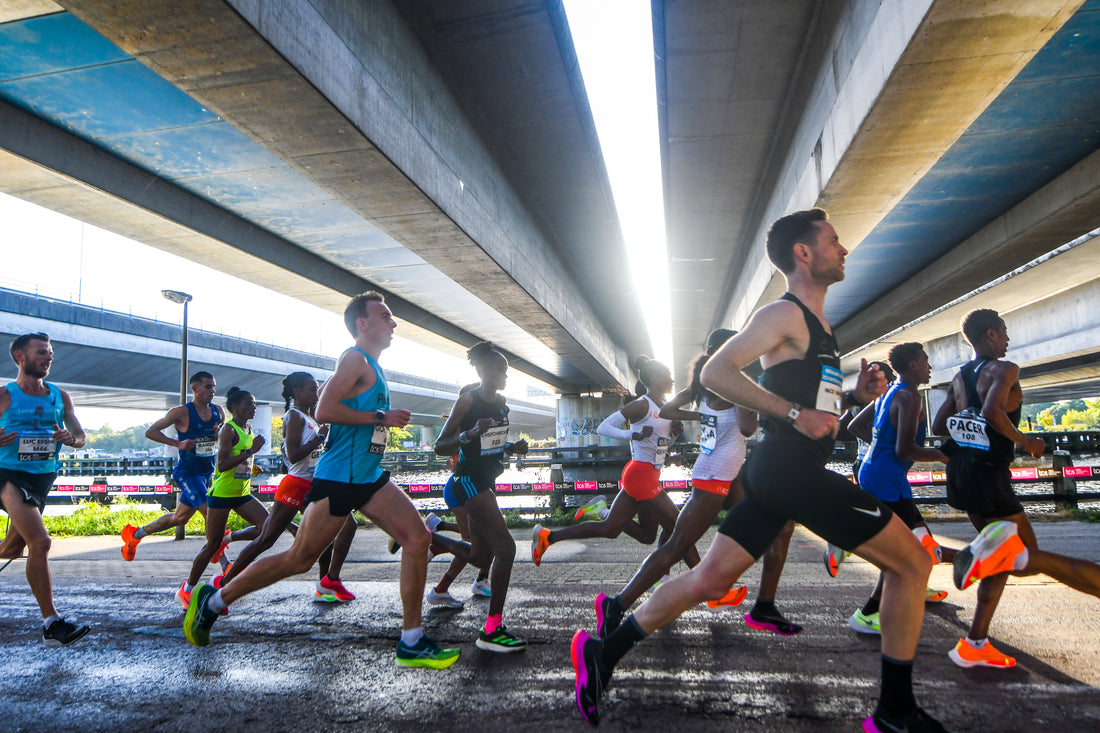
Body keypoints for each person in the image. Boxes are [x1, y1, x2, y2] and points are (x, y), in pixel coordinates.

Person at [569, 208, 945, 732]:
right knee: (911, 564)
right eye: (834, 241)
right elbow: (717, 372)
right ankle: (896, 712)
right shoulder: (784, 314)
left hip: (776, 471)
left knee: (708, 578)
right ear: (803, 253)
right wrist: (793, 414)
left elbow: (810, 399)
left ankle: (603, 654)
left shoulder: (818, 325)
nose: (845, 250)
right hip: (789, 470)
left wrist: (844, 401)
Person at [183, 291, 459, 670]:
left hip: (367, 475)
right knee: (299, 559)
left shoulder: (371, 367)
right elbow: (327, 409)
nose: (393, 323)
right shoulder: (354, 358)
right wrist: (382, 417)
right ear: (363, 324)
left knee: (417, 538)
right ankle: (213, 601)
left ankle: (412, 640)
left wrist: (377, 416)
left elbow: (333, 403)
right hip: (340, 479)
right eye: (385, 316)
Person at [594, 328, 801, 639]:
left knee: (781, 526)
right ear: (733, 348)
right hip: (716, 474)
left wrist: (704, 419)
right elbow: (747, 428)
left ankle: (764, 605)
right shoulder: (733, 380)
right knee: (678, 545)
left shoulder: (705, 379)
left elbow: (667, 410)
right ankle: (617, 604)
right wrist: (758, 402)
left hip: (728, 472)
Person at [932, 308, 1100, 669]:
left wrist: (970, 425)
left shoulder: (959, 378)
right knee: (1026, 558)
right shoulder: (1005, 369)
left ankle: (975, 642)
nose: (1008, 339)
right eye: (1004, 332)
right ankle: (959, 557)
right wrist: (1026, 442)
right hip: (989, 473)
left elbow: (939, 424)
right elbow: (993, 412)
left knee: (1005, 556)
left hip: (962, 472)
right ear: (991, 334)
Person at [531, 357, 690, 569]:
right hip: (640, 476)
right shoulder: (641, 405)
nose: (672, 380)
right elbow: (603, 428)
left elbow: (659, 446)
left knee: (636, 533)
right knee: (678, 526)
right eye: (667, 376)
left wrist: (674, 437)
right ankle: (689, 580)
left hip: (651, 473)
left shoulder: (667, 409)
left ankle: (549, 535)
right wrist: (633, 434)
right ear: (654, 379)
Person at [840, 342, 954, 635]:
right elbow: (905, 449)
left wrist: (880, 448)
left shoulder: (888, 392)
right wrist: (942, 456)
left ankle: (917, 582)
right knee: (901, 550)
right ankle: (868, 613)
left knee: (919, 537)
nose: (929, 366)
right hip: (886, 479)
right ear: (913, 365)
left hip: (881, 473)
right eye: (925, 360)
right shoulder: (909, 397)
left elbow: (854, 426)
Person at [214, 372, 358, 603]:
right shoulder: (294, 416)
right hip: (296, 486)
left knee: (344, 526)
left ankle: (327, 582)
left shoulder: (313, 418)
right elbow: (293, 455)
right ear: (297, 392)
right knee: (266, 539)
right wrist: (319, 440)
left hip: (316, 485)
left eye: (317, 389)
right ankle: (224, 583)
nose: (316, 394)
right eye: (312, 389)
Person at [433, 343, 528, 651]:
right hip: (468, 481)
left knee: (479, 556)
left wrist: (512, 448)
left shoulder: (501, 403)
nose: (505, 375)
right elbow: (441, 445)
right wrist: (469, 434)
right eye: (501, 370)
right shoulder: (467, 400)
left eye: (506, 371)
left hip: (486, 481)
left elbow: (492, 443)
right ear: (485, 371)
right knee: (507, 549)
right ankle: (492, 629)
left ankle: (430, 538)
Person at [0, 333, 90, 645]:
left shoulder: (60, 396)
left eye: (50, 353)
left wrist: (71, 439)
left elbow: (80, 436)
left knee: (13, 549)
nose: (48, 358)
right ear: (19, 357)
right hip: (8, 475)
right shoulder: (4, 396)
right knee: (40, 543)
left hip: (42, 477)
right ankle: (52, 623)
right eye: (41, 353)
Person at [121, 371, 231, 564]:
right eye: (208, 386)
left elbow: (222, 438)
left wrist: (219, 434)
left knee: (179, 518)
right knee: (210, 512)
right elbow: (151, 432)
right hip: (188, 473)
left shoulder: (218, 411)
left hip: (206, 472)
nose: (212, 391)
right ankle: (224, 564)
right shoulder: (181, 412)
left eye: (214, 386)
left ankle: (135, 535)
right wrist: (177, 444)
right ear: (194, 389)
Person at [177, 387, 267, 608]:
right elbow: (222, 464)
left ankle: (229, 538)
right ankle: (186, 589)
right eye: (249, 403)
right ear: (235, 407)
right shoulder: (228, 429)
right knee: (211, 546)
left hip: (241, 493)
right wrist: (249, 452)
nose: (253, 407)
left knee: (267, 528)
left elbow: (242, 461)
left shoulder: (248, 428)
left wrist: (252, 468)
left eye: (254, 404)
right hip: (222, 494)